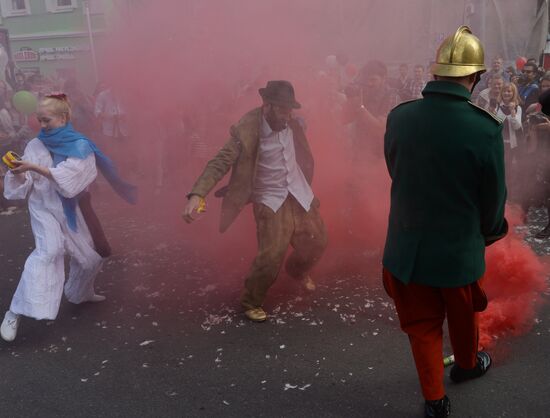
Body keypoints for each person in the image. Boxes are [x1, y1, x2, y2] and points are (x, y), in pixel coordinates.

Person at [382, 26, 507, 418]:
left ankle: (435, 402)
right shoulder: (485, 128)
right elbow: (493, 198)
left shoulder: (399, 117)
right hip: (458, 252)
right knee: (464, 315)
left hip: (407, 250)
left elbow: (394, 169)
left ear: (435, 73)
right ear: (474, 78)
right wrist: (489, 232)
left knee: (422, 326)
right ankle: (467, 367)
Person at [182, 80, 327, 322]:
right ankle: (251, 300)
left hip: (299, 192)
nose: (287, 114)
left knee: (318, 241)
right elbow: (220, 161)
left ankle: (296, 271)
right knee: (270, 256)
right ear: (266, 105)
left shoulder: (292, 122)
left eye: (290, 109)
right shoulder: (246, 129)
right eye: (282, 109)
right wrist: (197, 194)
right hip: (270, 197)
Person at [1, 94, 136, 342]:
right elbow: (24, 184)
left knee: (89, 259)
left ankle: (79, 293)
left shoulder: (81, 146)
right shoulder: (35, 145)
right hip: (42, 208)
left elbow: (69, 181)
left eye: (47, 120)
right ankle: (15, 312)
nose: (41, 125)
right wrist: (18, 172)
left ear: (64, 118)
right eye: (39, 119)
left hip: (69, 210)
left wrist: (32, 168)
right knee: (49, 251)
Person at [495, 82, 523, 200]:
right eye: (505, 91)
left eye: (509, 91)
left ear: (513, 93)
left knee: (510, 169)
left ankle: (508, 194)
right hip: (498, 143)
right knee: (498, 168)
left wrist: (512, 112)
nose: (507, 93)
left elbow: (517, 127)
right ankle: (497, 192)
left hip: (511, 144)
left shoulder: (517, 108)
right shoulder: (496, 106)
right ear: (501, 92)